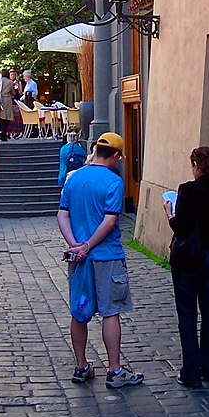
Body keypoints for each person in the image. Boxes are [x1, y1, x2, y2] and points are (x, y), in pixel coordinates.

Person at [57, 132, 144, 389]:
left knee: (79, 312)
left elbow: (62, 214)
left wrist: (75, 245)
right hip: (106, 257)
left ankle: (81, 365)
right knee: (110, 311)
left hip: (79, 260)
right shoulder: (114, 181)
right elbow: (110, 220)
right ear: (116, 156)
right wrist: (87, 246)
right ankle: (115, 370)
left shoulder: (75, 178)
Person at [163, 146, 209, 387]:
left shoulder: (189, 190)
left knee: (188, 314)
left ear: (198, 166)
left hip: (188, 257)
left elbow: (180, 227)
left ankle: (191, 373)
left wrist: (169, 213)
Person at [0, 68, 16, 141]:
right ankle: (3, 135)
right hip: (6, 101)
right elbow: (13, 93)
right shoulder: (10, 82)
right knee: (5, 118)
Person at [7, 70, 24, 138]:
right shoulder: (8, 82)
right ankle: (9, 132)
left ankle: (17, 131)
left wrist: (18, 88)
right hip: (9, 101)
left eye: (14, 74)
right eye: (11, 75)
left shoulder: (18, 82)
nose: (13, 76)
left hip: (16, 101)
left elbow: (20, 93)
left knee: (17, 117)